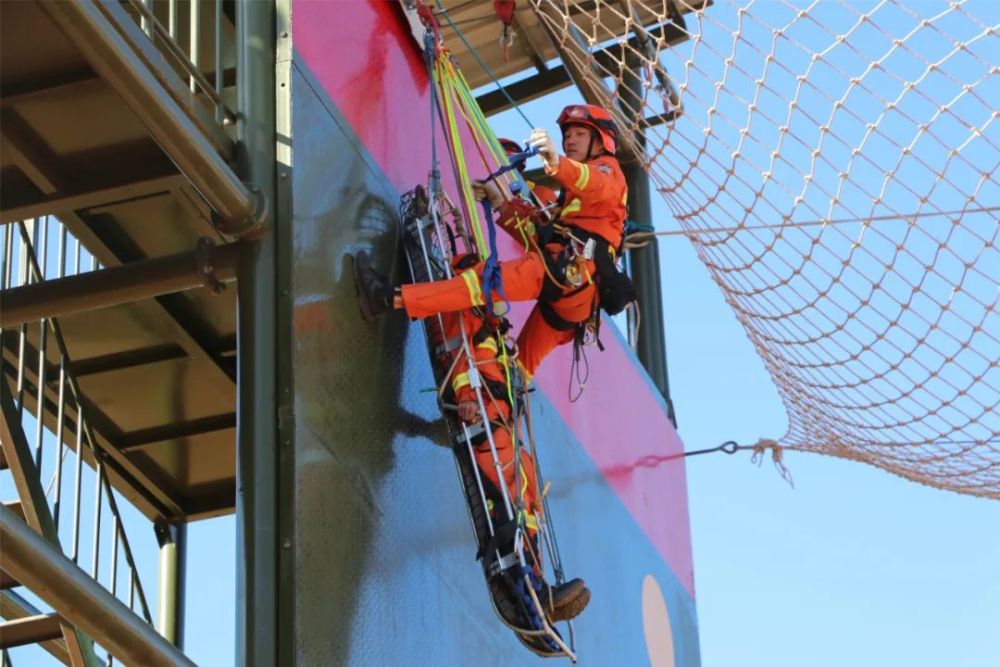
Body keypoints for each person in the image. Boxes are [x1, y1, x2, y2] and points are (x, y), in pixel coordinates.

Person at [354, 104, 633, 380]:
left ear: (599, 141)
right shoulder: (574, 204)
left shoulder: (608, 171)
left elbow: (594, 182)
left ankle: (387, 298)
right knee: (516, 373)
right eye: (568, 134)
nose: (570, 139)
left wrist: (556, 163)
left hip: (567, 277)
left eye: (579, 134)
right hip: (571, 298)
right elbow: (539, 237)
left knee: (482, 282)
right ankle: (502, 416)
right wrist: (500, 202)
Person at [433, 269, 590, 622]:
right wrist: (466, 399)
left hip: (502, 417)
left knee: (528, 490)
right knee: (508, 492)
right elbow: (455, 357)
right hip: (483, 418)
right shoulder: (459, 309)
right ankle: (527, 584)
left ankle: (539, 578)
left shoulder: (493, 330)